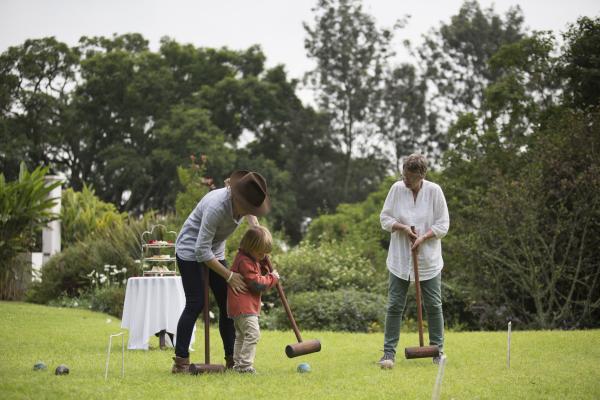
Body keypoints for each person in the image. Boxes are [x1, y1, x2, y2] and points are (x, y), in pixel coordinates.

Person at [172, 170, 270, 373]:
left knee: (229, 302)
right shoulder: (217, 207)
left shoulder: (244, 203)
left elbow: (253, 222)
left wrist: (259, 240)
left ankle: (231, 359)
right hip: (191, 251)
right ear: (237, 197)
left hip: (214, 250)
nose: (249, 211)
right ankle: (180, 361)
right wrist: (229, 275)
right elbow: (201, 250)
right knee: (195, 302)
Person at [377, 153, 449, 367]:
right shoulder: (396, 189)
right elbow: (385, 219)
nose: (405, 180)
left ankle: (437, 351)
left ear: (421, 175)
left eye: (409, 177)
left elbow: (443, 225)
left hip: (428, 259)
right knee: (394, 306)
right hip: (400, 259)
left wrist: (424, 237)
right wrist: (403, 228)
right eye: (403, 175)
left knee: (434, 305)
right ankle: (388, 354)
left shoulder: (435, 192)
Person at [227, 225, 279, 373]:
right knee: (253, 334)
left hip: (239, 306)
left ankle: (238, 365)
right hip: (244, 306)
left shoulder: (248, 258)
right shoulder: (245, 262)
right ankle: (245, 366)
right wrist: (272, 278)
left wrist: (262, 263)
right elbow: (257, 284)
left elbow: (255, 272)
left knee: (241, 336)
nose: (263, 256)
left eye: (265, 254)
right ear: (250, 247)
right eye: (260, 253)